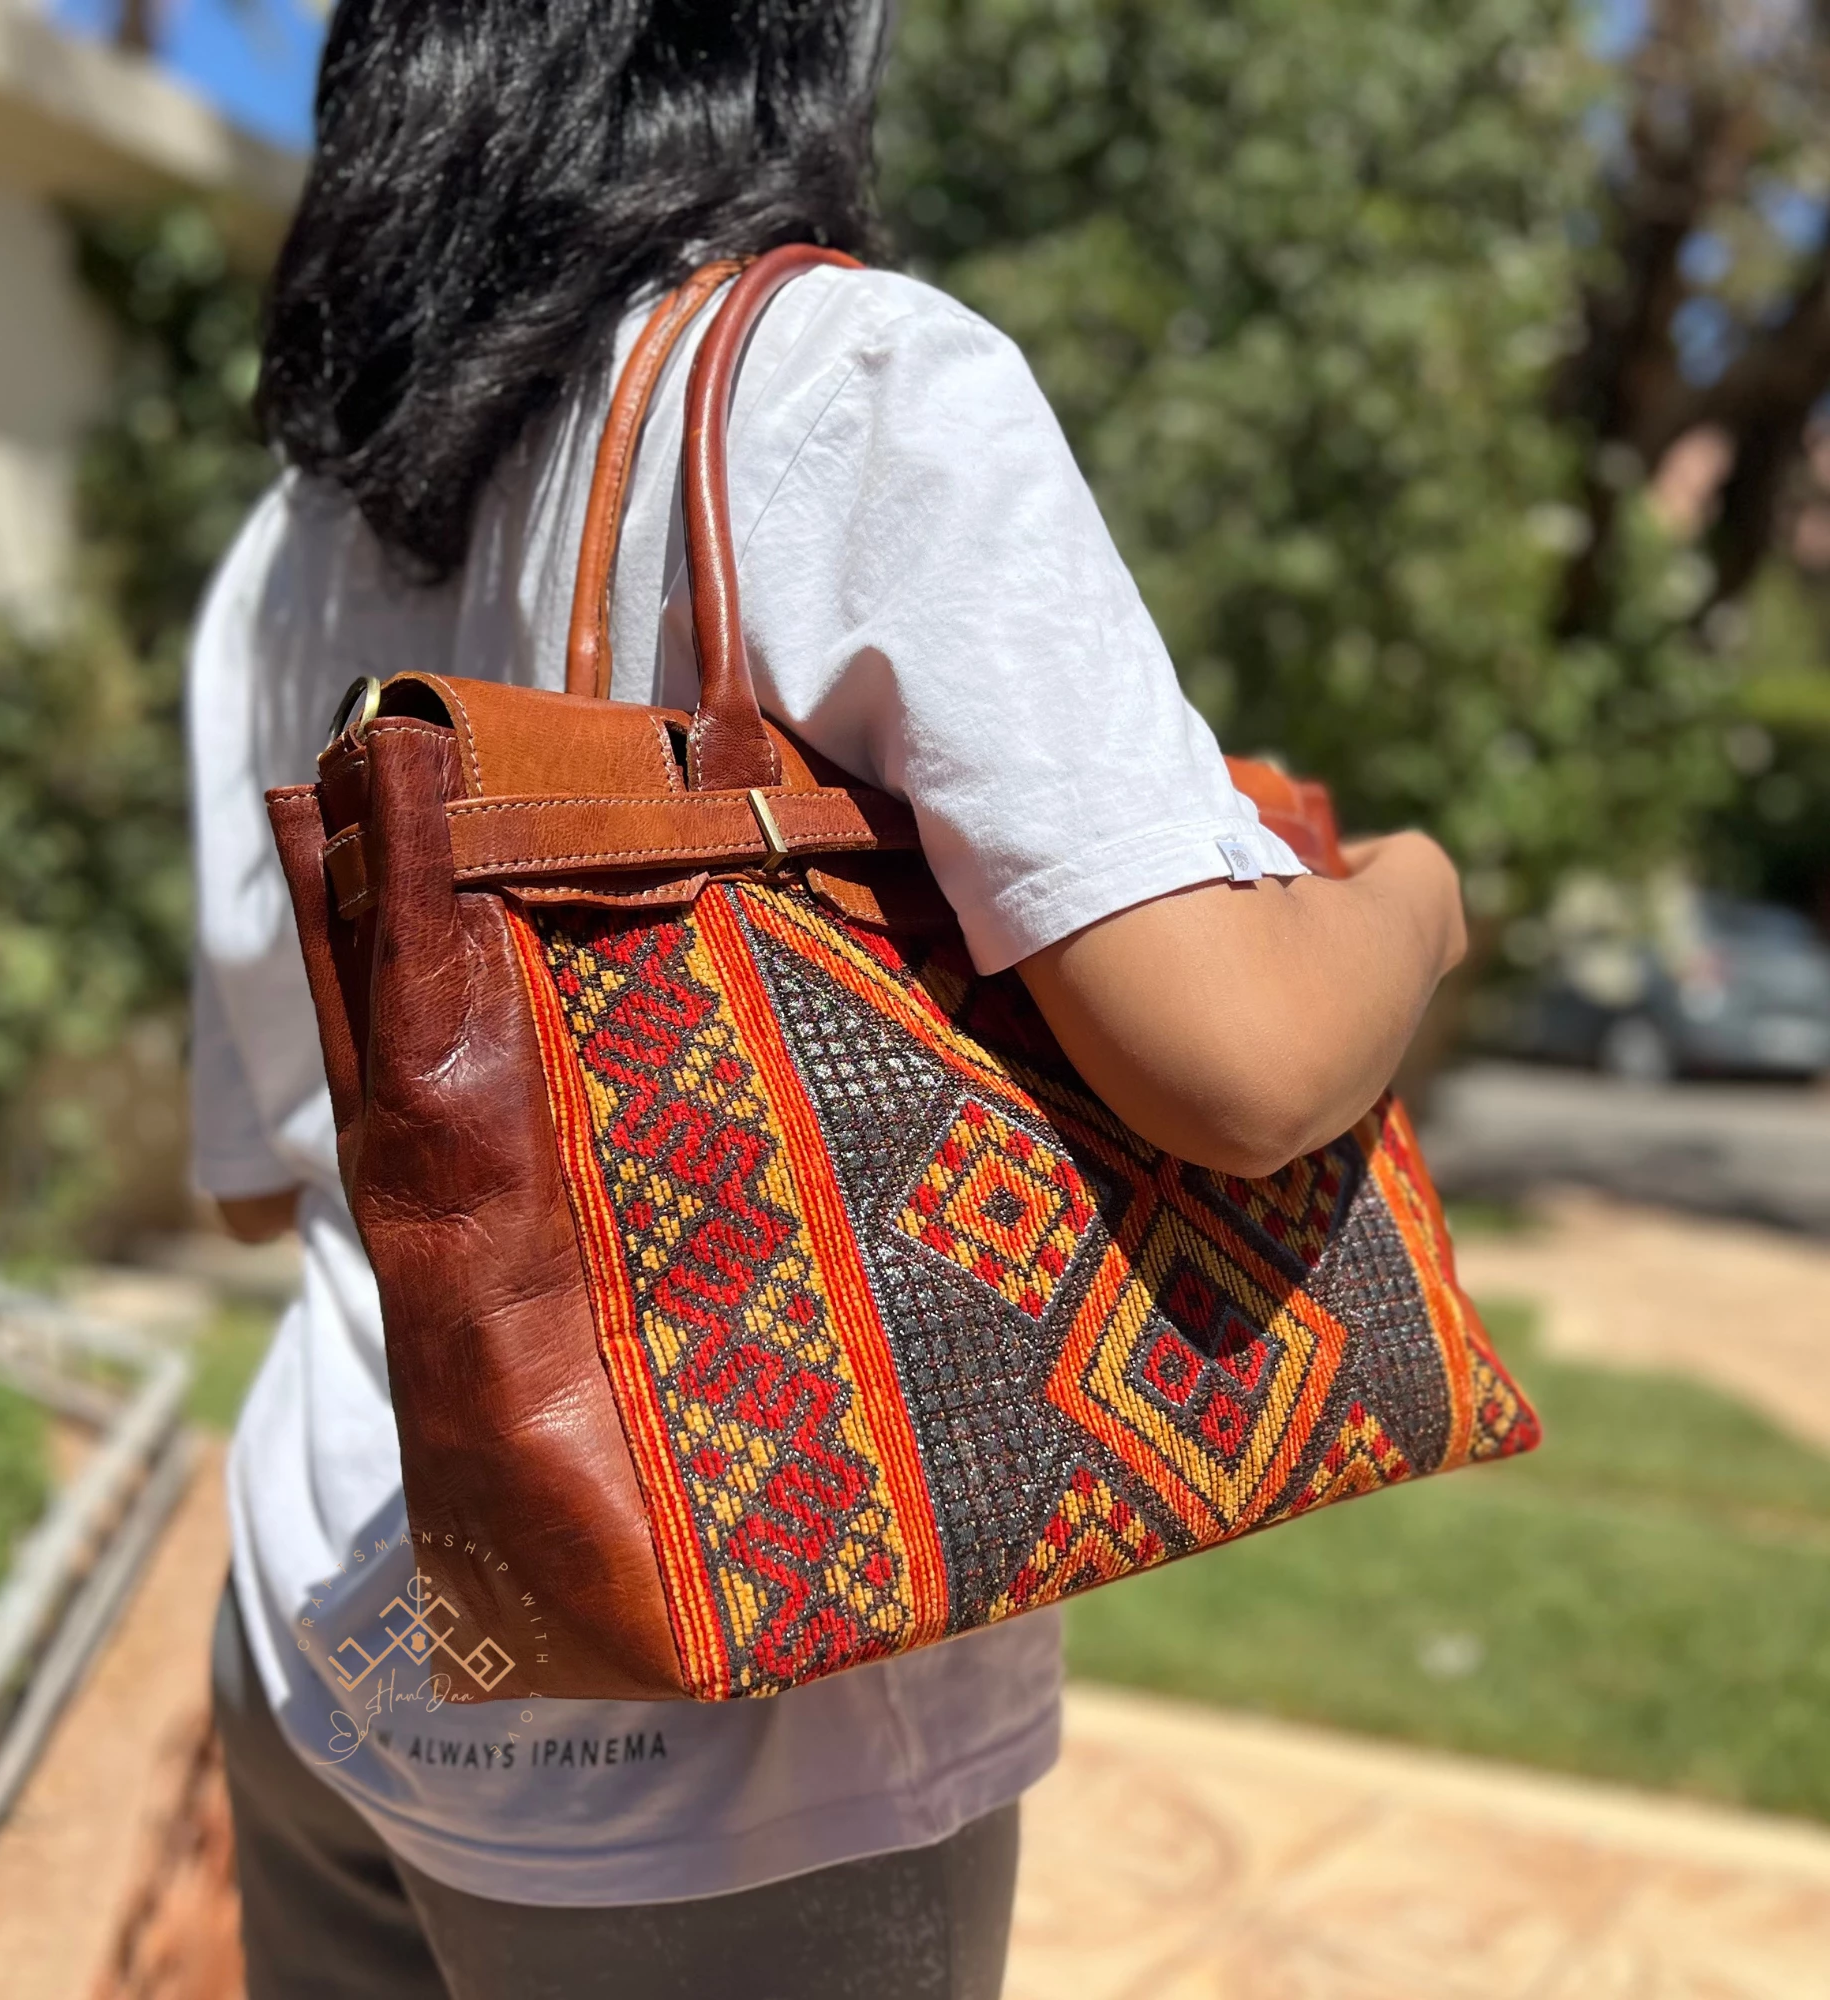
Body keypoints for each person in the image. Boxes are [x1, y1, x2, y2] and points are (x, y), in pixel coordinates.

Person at [188, 3, 1468, 1996]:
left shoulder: (298, 531)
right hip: (728, 1763)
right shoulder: (842, 382)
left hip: (324, 1622)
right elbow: (1248, 1057)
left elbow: (261, 1179)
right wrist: (1416, 899)